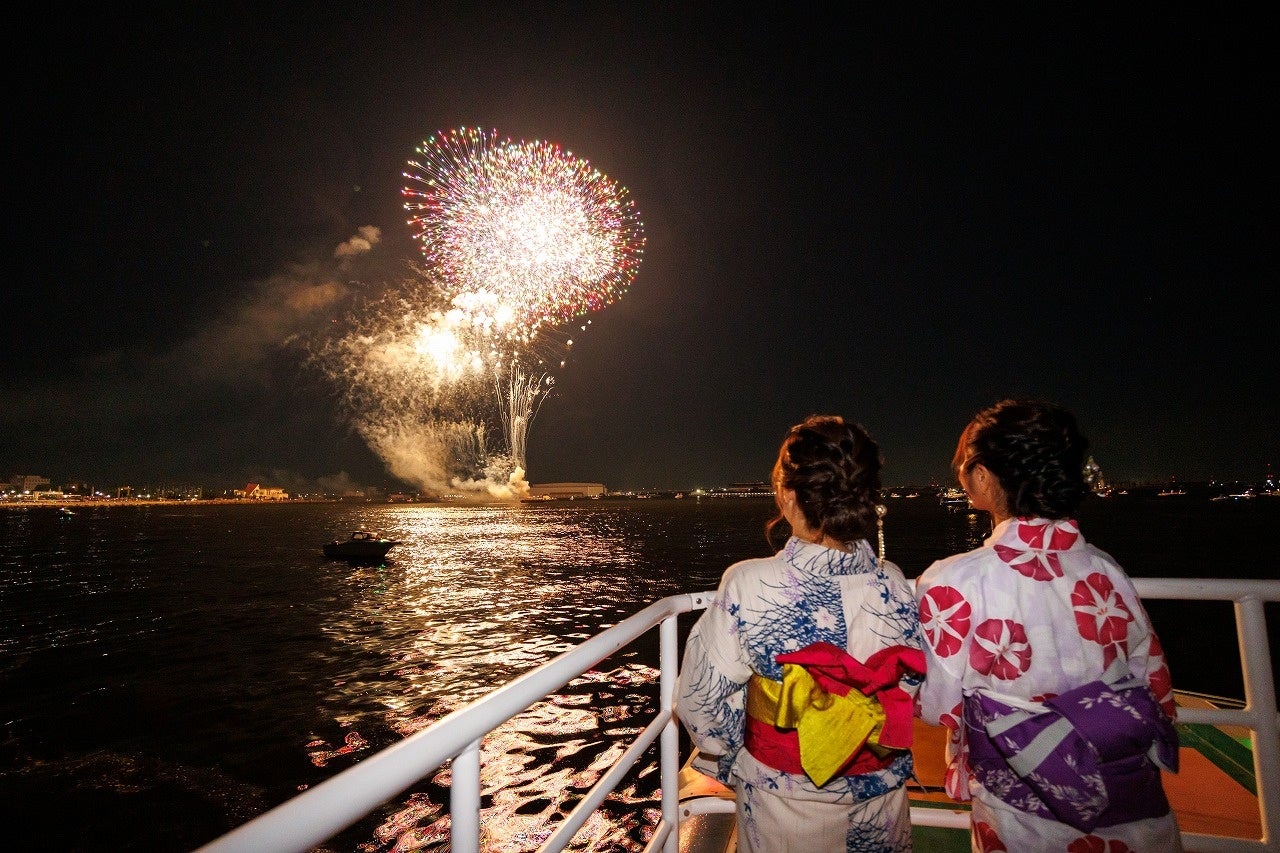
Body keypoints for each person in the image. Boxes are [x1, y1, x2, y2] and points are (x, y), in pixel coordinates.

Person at [914, 399, 1180, 852]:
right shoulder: (1105, 568)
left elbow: (938, 702)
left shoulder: (953, 580)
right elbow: (1152, 680)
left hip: (1022, 810)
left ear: (982, 476)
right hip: (1129, 798)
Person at [676, 415, 925, 852]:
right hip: (883, 799)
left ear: (789, 496)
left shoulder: (748, 582)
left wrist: (738, 759)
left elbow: (700, 701)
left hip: (785, 806)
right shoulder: (896, 583)